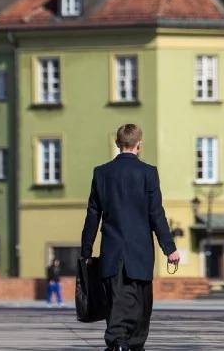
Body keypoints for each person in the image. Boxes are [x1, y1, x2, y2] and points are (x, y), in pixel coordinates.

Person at [80, 123, 180, 351]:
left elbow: (93, 215)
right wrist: (169, 248)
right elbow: (156, 213)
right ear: (139, 145)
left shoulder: (101, 173)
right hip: (140, 254)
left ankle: (118, 343)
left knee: (115, 305)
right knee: (140, 308)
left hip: (111, 255)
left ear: (117, 144)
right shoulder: (148, 173)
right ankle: (127, 344)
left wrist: (86, 251)